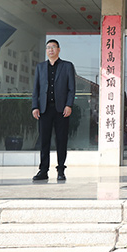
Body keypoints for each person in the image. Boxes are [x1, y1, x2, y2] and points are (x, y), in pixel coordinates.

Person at [31, 39, 76, 182]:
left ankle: (61, 170)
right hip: (44, 109)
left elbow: (71, 89)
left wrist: (69, 105)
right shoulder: (40, 67)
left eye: (53, 47)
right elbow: (36, 89)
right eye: (48, 47)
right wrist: (35, 106)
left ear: (59, 49)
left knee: (61, 140)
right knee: (44, 141)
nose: (50, 50)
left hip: (61, 110)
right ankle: (43, 170)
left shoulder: (67, 66)